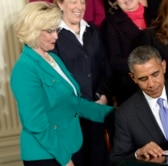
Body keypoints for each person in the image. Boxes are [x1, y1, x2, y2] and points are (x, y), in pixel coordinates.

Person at [10, 2, 113, 166]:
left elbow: (74, 103)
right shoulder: (24, 69)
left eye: (56, 29)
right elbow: (36, 125)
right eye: (49, 31)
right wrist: (64, 159)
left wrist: (112, 114)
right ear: (33, 31)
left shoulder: (53, 59)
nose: (56, 37)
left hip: (70, 145)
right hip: (46, 155)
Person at [52, 0, 113, 166]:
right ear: (60, 4)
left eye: (82, 2)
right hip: (70, 117)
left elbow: (105, 68)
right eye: (73, 2)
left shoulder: (94, 32)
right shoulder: (53, 35)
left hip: (96, 112)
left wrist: (102, 96)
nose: (79, 7)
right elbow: (55, 77)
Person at [102, 0, 156, 106]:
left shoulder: (156, 15)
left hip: (162, 83)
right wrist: (144, 68)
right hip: (131, 90)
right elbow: (114, 62)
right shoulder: (110, 24)